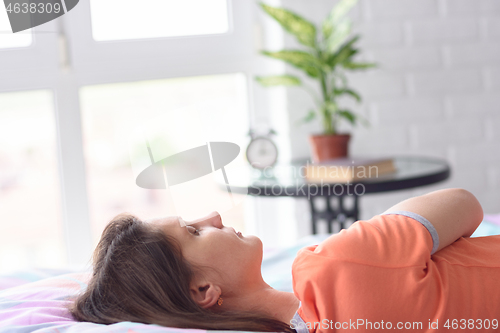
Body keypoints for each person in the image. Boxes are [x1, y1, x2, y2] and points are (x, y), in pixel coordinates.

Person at [71, 188, 500, 332]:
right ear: (203, 290)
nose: (214, 216)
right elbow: (465, 204)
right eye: (194, 231)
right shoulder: (331, 269)